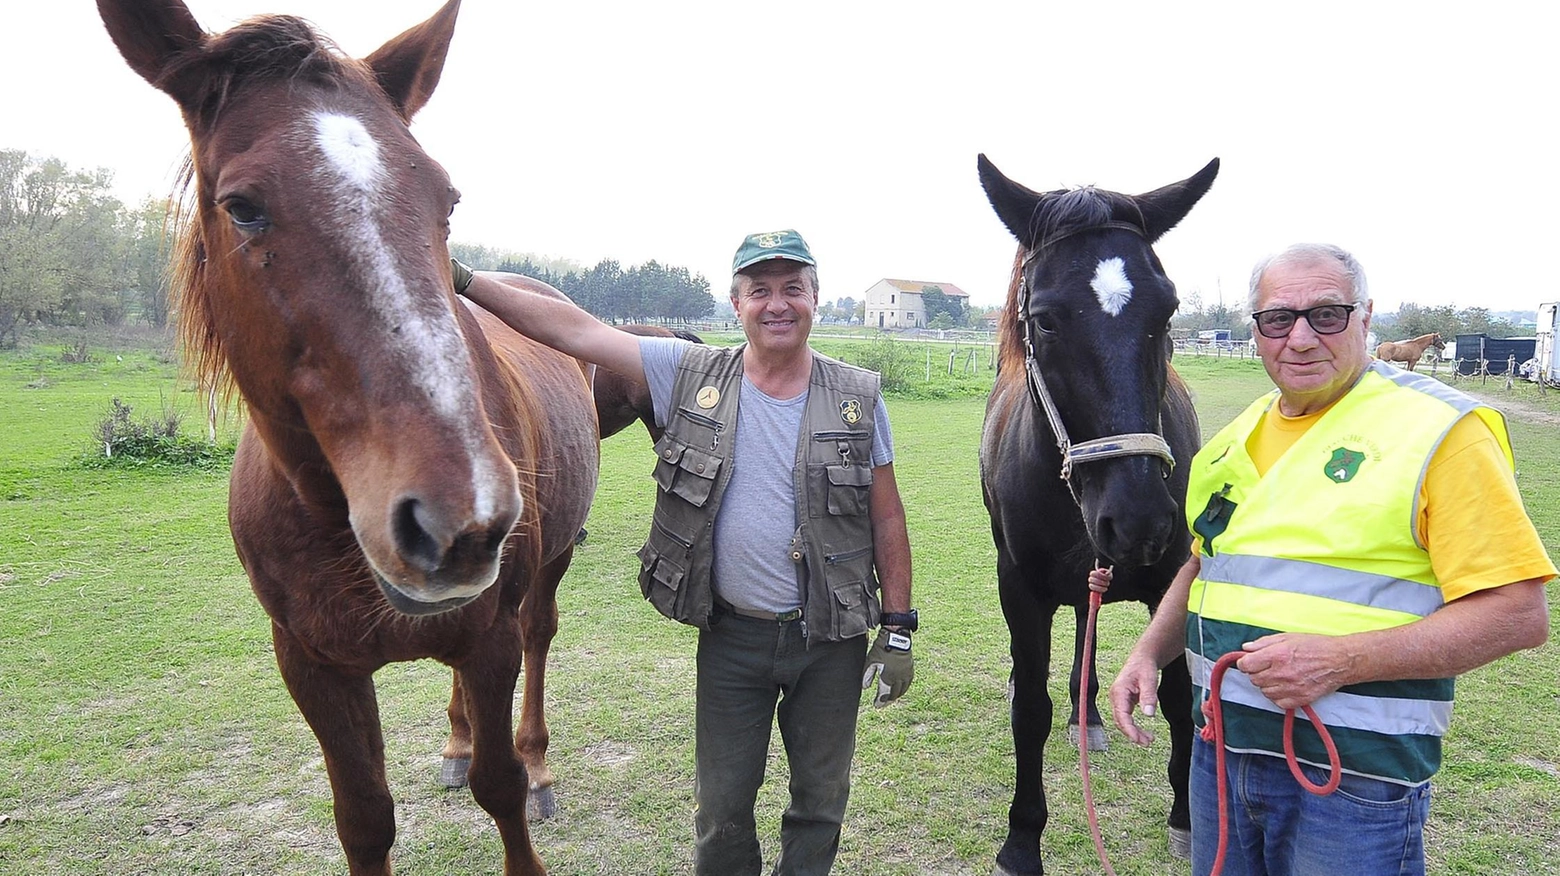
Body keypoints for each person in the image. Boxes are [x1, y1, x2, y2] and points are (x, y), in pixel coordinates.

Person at [455, 229, 916, 876]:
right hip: (733, 639)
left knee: (821, 802)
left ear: (817, 297)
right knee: (721, 809)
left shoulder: (858, 397)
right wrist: (464, 278)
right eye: (760, 290)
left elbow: (887, 515)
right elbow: (573, 331)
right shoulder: (688, 371)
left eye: (792, 288)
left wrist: (897, 629)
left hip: (830, 640)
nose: (777, 304)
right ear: (736, 305)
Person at [1106, 243, 1553, 876]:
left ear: (1366, 318)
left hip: (1354, 779)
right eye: (1278, 319)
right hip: (1220, 754)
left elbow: (1517, 614)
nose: (1301, 338)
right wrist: (1150, 652)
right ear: (1256, 330)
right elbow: (1208, 565)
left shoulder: (1440, 432)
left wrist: (1341, 661)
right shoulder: (1234, 438)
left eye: (1327, 315)